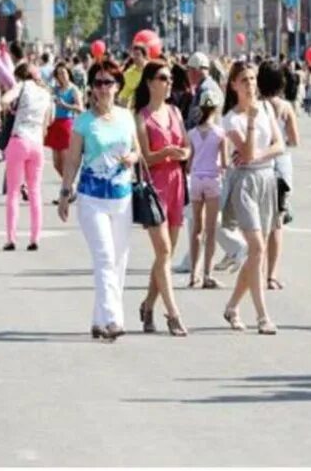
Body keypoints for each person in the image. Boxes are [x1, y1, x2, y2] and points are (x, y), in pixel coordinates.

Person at [57, 59, 138, 341]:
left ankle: (98, 319)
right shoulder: (84, 122)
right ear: (91, 88)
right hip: (92, 198)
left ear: (117, 87)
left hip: (122, 198)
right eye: (99, 83)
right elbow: (72, 161)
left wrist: (132, 158)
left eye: (109, 83)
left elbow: (138, 151)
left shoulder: (126, 117)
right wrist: (65, 194)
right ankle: (114, 319)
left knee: (119, 260)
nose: (104, 89)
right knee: (104, 257)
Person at [220, 61, 285, 335]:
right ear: (234, 85)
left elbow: (280, 145)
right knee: (257, 247)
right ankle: (262, 315)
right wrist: (249, 123)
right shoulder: (231, 119)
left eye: (253, 79)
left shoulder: (267, 108)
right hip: (244, 183)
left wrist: (259, 154)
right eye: (244, 80)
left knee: (257, 252)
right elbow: (244, 153)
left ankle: (233, 305)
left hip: (266, 178)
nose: (250, 85)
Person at [133, 60, 189, 335]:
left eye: (169, 79)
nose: (168, 83)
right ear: (150, 82)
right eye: (163, 78)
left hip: (177, 183)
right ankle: (173, 314)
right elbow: (143, 158)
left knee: (165, 255)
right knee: (164, 251)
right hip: (155, 187)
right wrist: (164, 152)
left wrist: (183, 154)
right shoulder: (142, 117)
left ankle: (148, 305)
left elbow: (187, 146)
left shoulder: (176, 112)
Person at [2, 62, 53, 251]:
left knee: (13, 192)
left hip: (19, 140)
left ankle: (11, 238)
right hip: (37, 144)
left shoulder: (22, 86)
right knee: (35, 192)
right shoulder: (46, 94)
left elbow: (5, 100)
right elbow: (47, 122)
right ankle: (34, 238)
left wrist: (13, 110)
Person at [258, 60, 299, 289]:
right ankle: (271, 275)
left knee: (259, 222)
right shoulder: (285, 108)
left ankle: (256, 270)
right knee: (277, 222)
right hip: (281, 166)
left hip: (259, 165)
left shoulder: (255, 105)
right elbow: (294, 139)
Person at [187, 90, 227, 290]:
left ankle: (193, 273)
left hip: (196, 179)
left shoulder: (192, 133)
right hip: (212, 179)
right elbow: (225, 162)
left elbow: (189, 161)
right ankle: (207, 274)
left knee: (196, 228)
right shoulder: (220, 133)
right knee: (210, 231)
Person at [47, 61, 83, 188]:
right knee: (56, 163)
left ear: (68, 74)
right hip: (55, 124)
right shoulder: (56, 89)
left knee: (65, 161)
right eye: (59, 74)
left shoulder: (73, 89)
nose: (62, 76)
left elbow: (80, 108)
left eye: (64, 73)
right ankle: (70, 186)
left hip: (67, 124)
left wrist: (65, 105)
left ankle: (68, 188)